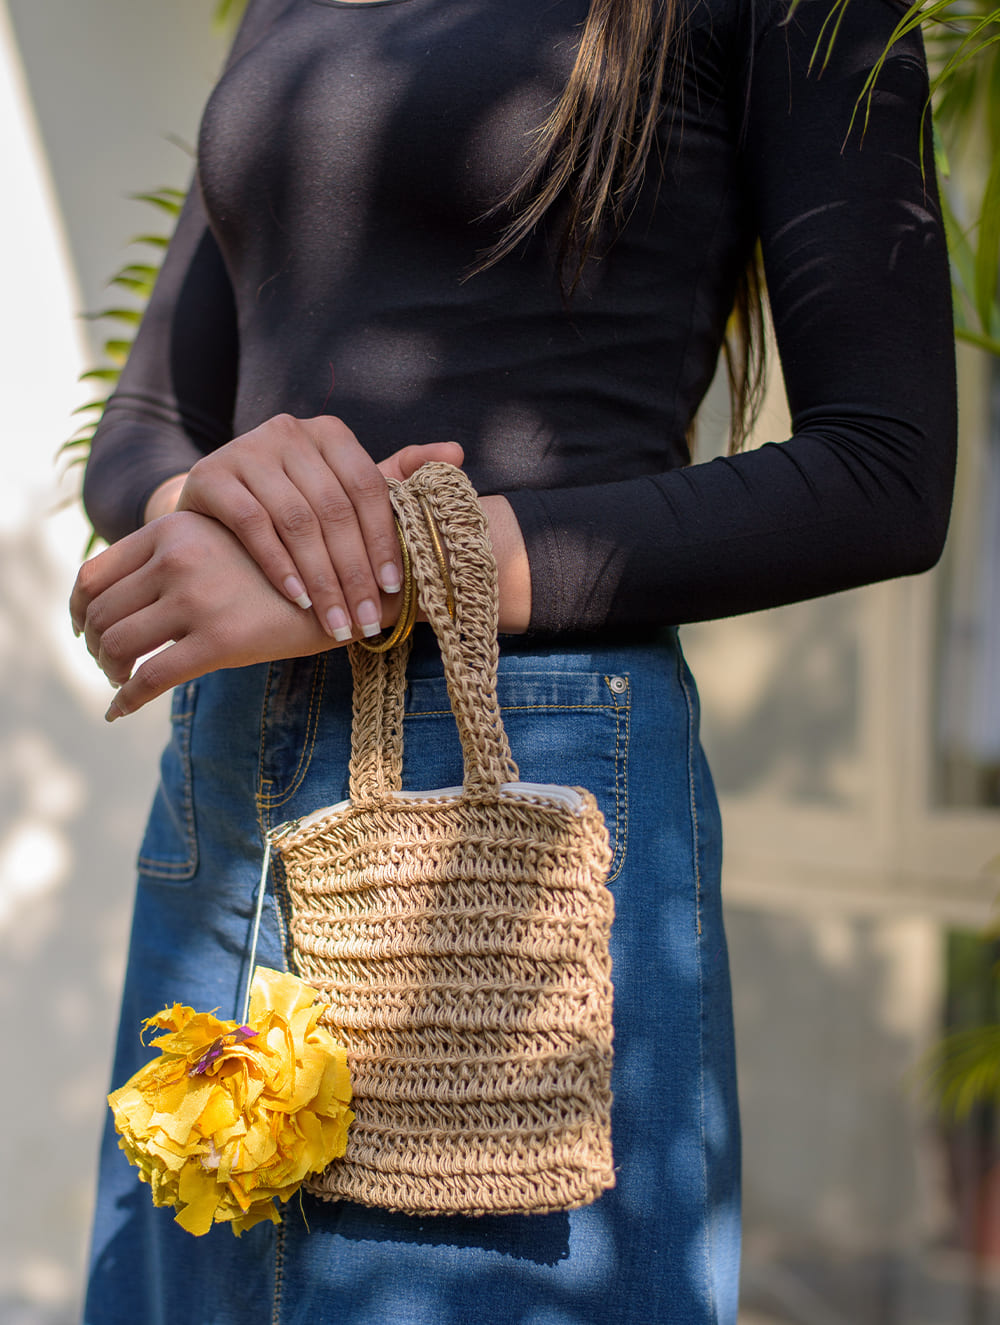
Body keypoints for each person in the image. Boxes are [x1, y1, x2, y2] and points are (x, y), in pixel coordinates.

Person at [70, 0, 956, 1320]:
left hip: (515, 763)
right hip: (230, 769)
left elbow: (884, 471)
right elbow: (148, 422)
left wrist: (391, 564)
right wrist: (211, 507)